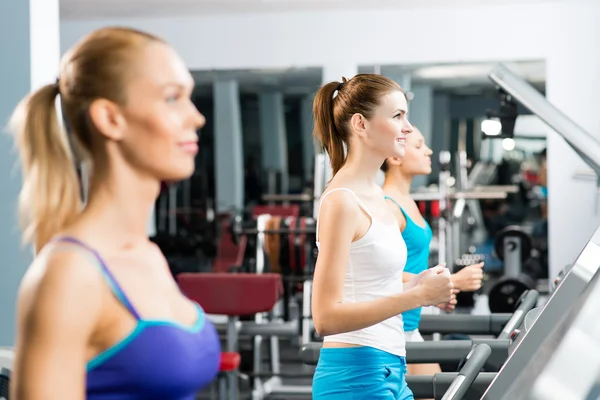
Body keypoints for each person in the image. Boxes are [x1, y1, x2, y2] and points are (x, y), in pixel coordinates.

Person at [9, 27, 220, 399]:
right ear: (110, 118)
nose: (196, 117)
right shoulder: (69, 274)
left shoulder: (148, 254)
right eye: (172, 98)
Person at [310, 75, 454, 400]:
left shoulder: (375, 194)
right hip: (355, 373)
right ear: (360, 124)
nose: (406, 127)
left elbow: (370, 287)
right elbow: (325, 316)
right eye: (397, 116)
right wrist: (417, 298)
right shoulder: (341, 200)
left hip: (390, 366)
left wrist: (418, 283)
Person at [381, 127, 485, 379]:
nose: (428, 151)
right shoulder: (387, 206)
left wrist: (432, 295)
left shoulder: (407, 202)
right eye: (418, 146)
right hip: (389, 328)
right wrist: (449, 282)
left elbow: (410, 268)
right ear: (395, 158)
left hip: (408, 325)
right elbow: (380, 274)